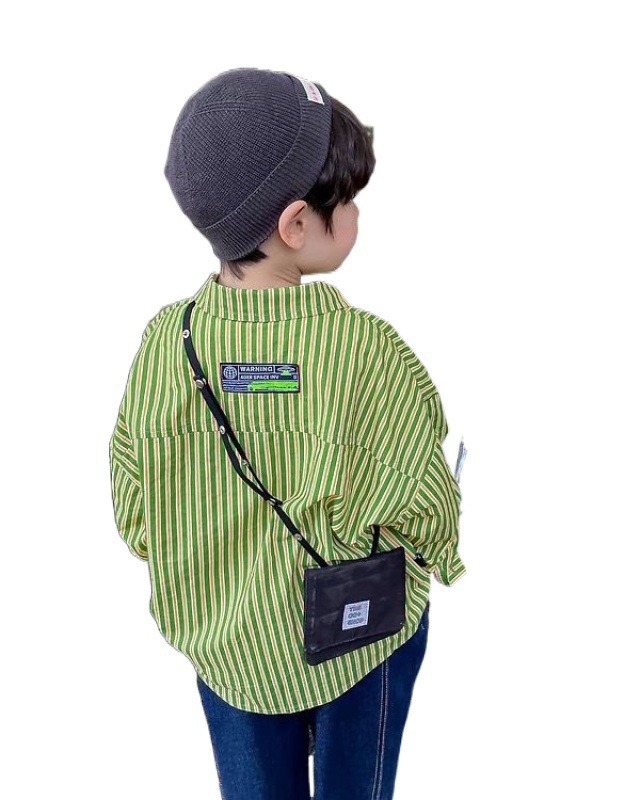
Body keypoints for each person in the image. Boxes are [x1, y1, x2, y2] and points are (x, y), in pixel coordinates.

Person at [108, 67, 466, 800]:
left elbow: (135, 509)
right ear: (297, 225)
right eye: (349, 199)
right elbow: (424, 502)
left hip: (231, 647)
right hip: (360, 639)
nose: (358, 212)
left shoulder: (166, 344)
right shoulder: (365, 350)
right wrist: (442, 550)